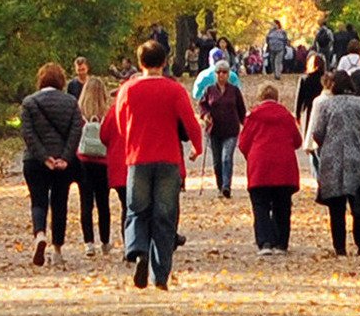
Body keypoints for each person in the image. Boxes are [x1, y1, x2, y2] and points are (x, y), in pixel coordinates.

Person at [107, 36, 203, 289]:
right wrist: (197, 146)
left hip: (138, 159)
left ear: (140, 63)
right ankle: (159, 276)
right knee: (165, 217)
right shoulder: (174, 89)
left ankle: (138, 251)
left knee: (136, 210)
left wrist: (131, 140)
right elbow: (191, 122)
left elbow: (119, 122)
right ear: (164, 62)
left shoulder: (128, 89)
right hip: (168, 160)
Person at [307, 54, 360, 256]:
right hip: (357, 159)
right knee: (358, 204)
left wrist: (326, 146)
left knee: (336, 207)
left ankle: (339, 247)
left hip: (331, 160)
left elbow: (317, 133)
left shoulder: (325, 105)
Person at [19, 61, 84, 263]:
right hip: (62, 164)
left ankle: (40, 234)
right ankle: (57, 250)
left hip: (35, 161)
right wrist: (64, 157)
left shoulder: (29, 103)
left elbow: (28, 134)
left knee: (38, 201)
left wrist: (43, 156)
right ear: (61, 81)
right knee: (59, 202)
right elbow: (76, 131)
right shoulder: (71, 102)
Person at [239, 80, 302, 251]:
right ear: (276, 97)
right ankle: (281, 243)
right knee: (283, 205)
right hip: (284, 166)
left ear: (260, 97)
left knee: (261, 206)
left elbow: (243, 143)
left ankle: (265, 242)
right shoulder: (286, 116)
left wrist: (251, 156)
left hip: (260, 166)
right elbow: (297, 141)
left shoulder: (252, 116)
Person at [72, 60, 116, 255]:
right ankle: (105, 241)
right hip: (103, 161)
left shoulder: (79, 113)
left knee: (85, 202)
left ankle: (88, 242)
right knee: (103, 202)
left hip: (83, 160)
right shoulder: (107, 113)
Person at [197, 49, 247, 197]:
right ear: (215, 74)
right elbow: (202, 105)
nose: (221, 75)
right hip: (214, 130)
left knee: (227, 158)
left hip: (231, 129)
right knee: (217, 162)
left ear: (228, 74)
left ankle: (226, 186)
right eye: (219, 72)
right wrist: (205, 115)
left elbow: (241, 109)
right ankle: (220, 186)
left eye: (224, 72)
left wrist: (246, 125)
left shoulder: (234, 91)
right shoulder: (209, 90)